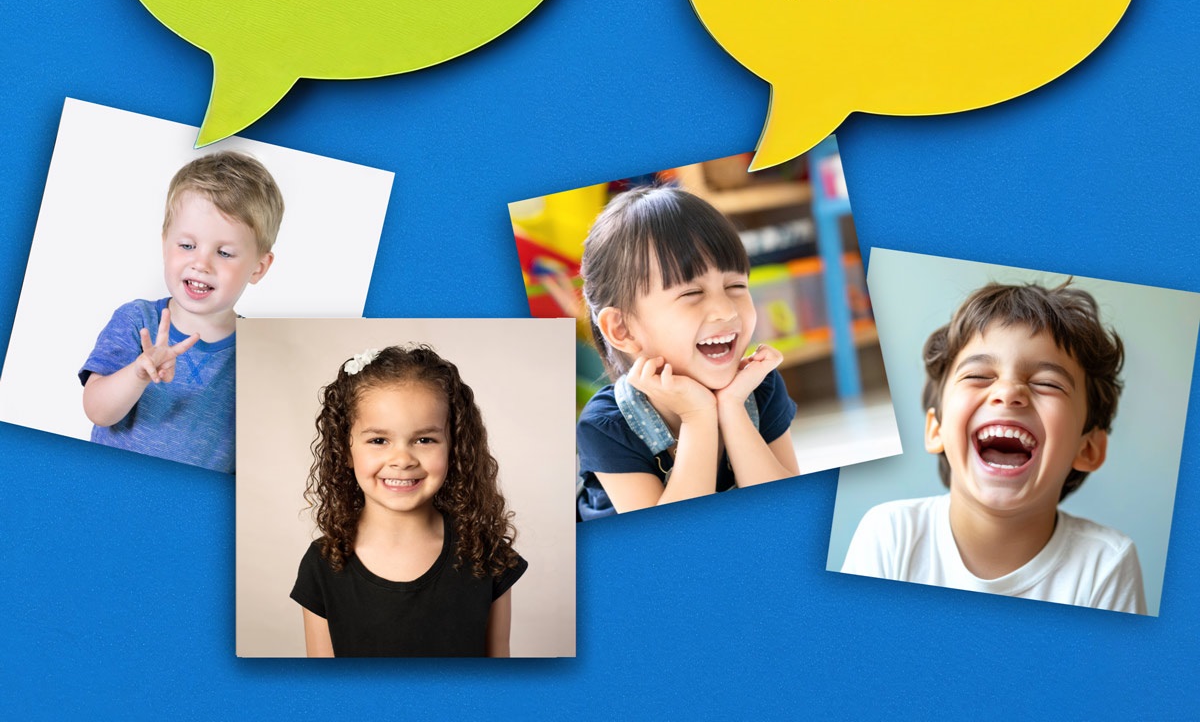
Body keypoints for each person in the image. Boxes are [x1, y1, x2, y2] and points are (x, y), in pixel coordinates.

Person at [841, 281, 1146, 612]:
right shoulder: (891, 536)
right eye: (979, 376)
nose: (1009, 391)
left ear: (1087, 449)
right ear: (936, 430)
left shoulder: (1105, 566)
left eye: (1047, 383)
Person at [575, 185, 799, 518]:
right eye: (692, 293)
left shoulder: (758, 388)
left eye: (736, 286)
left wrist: (733, 407)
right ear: (622, 329)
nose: (725, 310)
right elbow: (667, 546)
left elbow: (787, 512)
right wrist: (698, 417)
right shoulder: (606, 425)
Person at [291, 344, 527, 657]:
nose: (402, 459)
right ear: (345, 451)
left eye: (424, 439)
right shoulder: (323, 563)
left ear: (453, 448)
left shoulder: (487, 554)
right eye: (378, 440)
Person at [79, 149, 282, 473]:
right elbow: (97, 411)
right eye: (187, 246)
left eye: (225, 252)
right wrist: (138, 373)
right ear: (165, 245)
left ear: (258, 267)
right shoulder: (136, 321)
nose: (201, 264)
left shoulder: (257, 351)